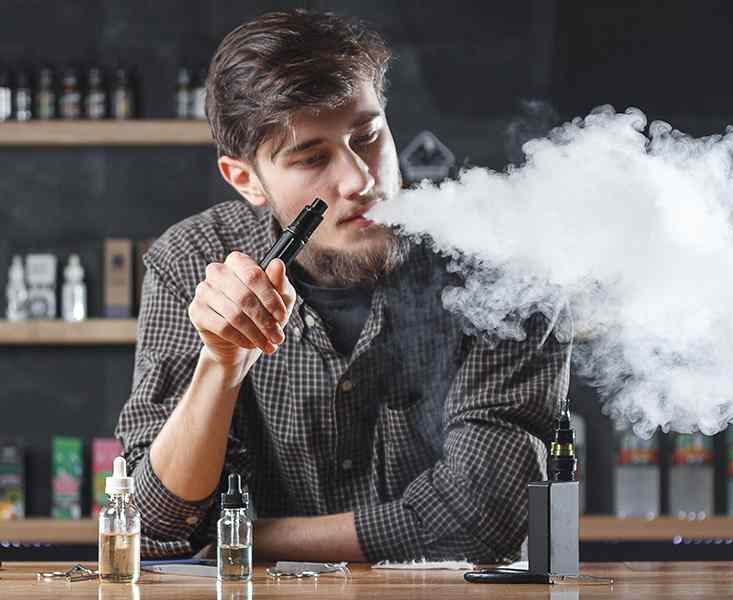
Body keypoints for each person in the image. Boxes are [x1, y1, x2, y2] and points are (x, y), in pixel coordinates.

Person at [116, 8, 571, 562]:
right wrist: (221, 368)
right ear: (245, 179)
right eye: (312, 158)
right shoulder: (191, 260)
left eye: (369, 136)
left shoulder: (504, 265)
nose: (361, 180)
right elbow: (159, 522)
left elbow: (481, 518)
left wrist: (236, 543)